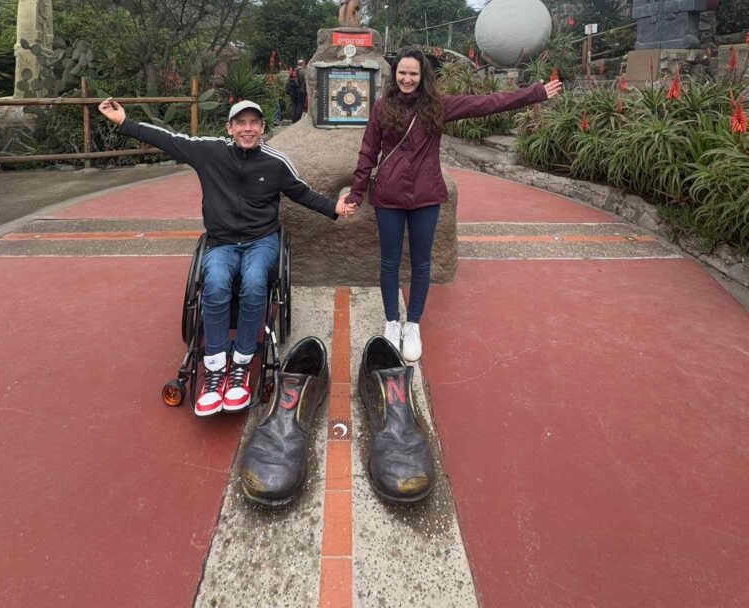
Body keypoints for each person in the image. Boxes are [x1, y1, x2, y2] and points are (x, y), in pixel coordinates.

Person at [98, 97, 353, 417]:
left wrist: (334, 207)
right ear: (229, 127)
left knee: (255, 281)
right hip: (221, 242)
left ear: (262, 128)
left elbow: (301, 192)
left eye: (254, 123)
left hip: (261, 241)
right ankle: (215, 367)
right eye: (241, 123)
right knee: (216, 283)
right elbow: (169, 139)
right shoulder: (210, 151)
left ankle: (242, 364)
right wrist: (124, 122)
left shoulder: (275, 162)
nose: (247, 129)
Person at [343, 48, 562, 362]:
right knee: (389, 262)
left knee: (421, 263)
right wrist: (355, 193)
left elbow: (486, 104)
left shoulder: (438, 106)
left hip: (426, 195)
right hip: (389, 196)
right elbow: (368, 153)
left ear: (422, 77)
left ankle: (413, 323)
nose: (407, 79)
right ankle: (392, 322)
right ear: (395, 75)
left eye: (413, 74)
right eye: (402, 73)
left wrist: (534, 93)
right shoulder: (381, 108)